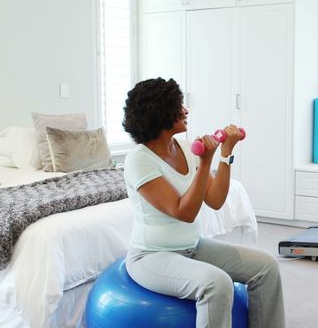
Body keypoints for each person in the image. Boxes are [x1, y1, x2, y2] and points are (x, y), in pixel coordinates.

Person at [122, 77, 285, 328]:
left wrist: (225, 154)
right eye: (178, 106)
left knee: (266, 267)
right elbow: (183, 212)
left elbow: (216, 200)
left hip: (192, 247)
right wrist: (205, 163)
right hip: (151, 256)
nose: (186, 110)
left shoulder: (186, 148)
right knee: (216, 283)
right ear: (160, 112)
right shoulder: (138, 161)